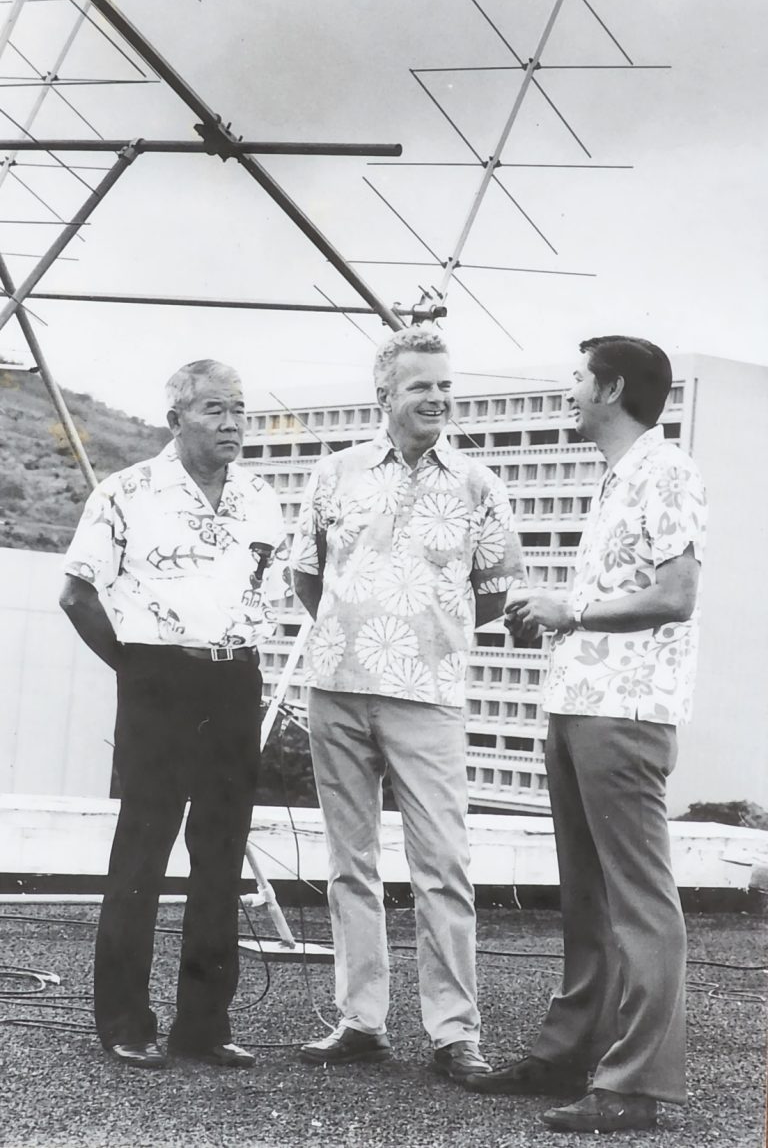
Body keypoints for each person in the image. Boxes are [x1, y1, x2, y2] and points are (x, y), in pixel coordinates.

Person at [467, 336, 707, 1134]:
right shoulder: (620, 477)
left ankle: (642, 1085)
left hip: (626, 712)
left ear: (608, 388)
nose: (568, 391)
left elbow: (675, 594)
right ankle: (574, 1054)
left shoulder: (666, 470)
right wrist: (557, 614)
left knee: (638, 900)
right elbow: (621, 593)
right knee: (589, 900)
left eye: (576, 378)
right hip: (581, 702)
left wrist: (571, 611)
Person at [290, 326, 526, 1084]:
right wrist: (357, 629)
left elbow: (495, 591)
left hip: (428, 693)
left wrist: (427, 633)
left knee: (442, 864)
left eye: (446, 385)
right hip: (339, 689)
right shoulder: (334, 472)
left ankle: (454, 1031)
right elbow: (308, 575)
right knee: (349, 864)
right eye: (421, 385)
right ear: (384, 394)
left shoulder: (479, 484)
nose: (438, 398)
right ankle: (360, 1020)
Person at [59, 360, 287, 1071]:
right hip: (157, 676)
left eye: (240, 409)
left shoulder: (260, 498)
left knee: (220, 856)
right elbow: (76, 594)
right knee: (143, 853)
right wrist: (135, 668)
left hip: (234, 680)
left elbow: (266, 593)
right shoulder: (126, 492)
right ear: (177, 419)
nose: (232, 423)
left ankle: (204, 1025)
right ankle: (126, 1020)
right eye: (215, 408)